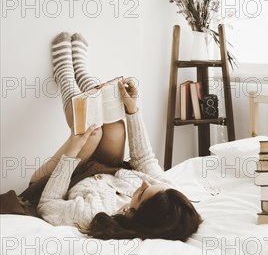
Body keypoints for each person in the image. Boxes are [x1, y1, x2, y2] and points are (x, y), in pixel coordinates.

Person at [30, 32, 202, 242]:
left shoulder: (96, 215)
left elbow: (48, 204)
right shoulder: (166, 195)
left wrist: (73, 149)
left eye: (140, 194)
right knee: (115, 127)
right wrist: (132, 109)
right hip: (104, 167)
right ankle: (83, 72)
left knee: (92, 132)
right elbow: (144, 159)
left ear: (132, 213)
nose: (145, 183)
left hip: (63, 177)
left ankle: (64, 72)